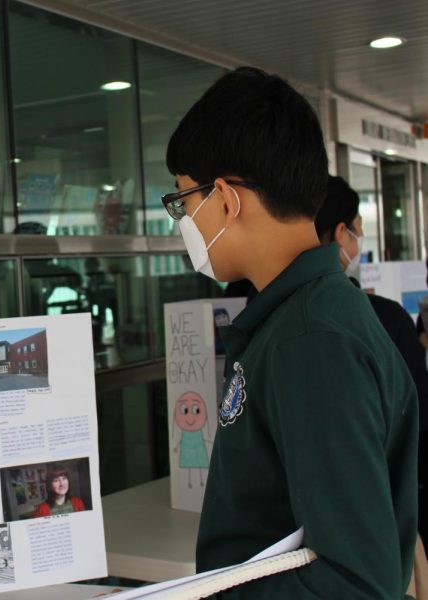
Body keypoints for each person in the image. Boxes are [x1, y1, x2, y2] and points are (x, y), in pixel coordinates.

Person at [163, 66, 417, 596]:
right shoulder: (304, 316)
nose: (183, 224)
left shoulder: (313, 341)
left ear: (227, 200)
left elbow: (355, 581)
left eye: (184, 204)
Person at [315, 174, 428, 541]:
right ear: (338, 232)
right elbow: (418, 423)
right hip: (380, 518)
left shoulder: (264, 316)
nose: (357, 241)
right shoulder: (385, 318)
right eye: (356, 231)